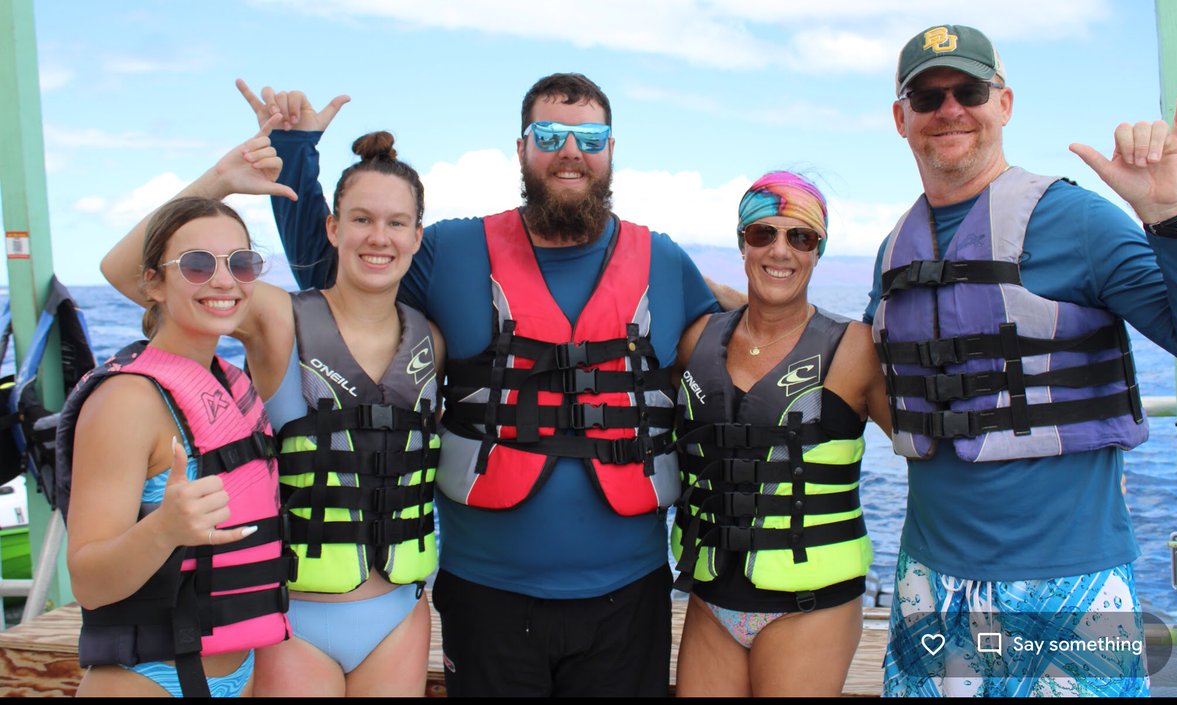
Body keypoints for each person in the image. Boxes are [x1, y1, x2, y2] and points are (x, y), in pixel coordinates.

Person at [242, 72, 721, 696]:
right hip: (486, 598)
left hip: (628, 600)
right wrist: (298, 152)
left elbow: (734, 353)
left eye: (589, 136)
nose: (570, 150)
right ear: (521, 149)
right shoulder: (448, 250)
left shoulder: (667, 262)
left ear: (610, 150)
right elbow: (334, 274)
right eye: (548, 134)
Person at [866, 24, 1177, 697]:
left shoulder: (1079, 220)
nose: (950, 108)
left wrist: (1169, 219)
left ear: (1005, 102)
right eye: (927, 96)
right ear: (902, 118)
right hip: (929, 581)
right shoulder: (891, 251)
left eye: (970, 89)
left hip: (1070, 582)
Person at [100, 119, 442, 697]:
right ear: (333, 228)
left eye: (395, 223)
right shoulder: (275, 315)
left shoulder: (434, 340)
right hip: (290, 621)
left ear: (416, 235)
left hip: (400, 617)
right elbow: (126, 272)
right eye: (360, 219)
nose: (377, 237)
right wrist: (220, 181)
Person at [670, 171, 891, 697]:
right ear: (742, 243)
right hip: (709, 601)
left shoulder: (855, 348)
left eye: (801, 237)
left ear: (819, 251)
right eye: (762, 234)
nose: (781, 250)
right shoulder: (697, 338)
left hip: (810, 607)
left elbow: (927, 446)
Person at [59, 197, 291, 697]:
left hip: (241, 673)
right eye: (197, 264)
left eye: (241, 263)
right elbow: (89, 582)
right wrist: (164, 529)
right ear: (153, 284)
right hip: (148, 682)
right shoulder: (126, 401)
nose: (224, 281)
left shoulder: (232, 387)